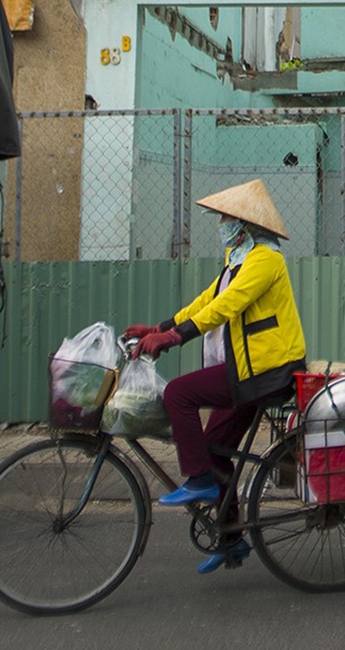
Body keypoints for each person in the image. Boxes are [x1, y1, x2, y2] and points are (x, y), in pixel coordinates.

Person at [124, 178, 305, 574]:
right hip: (246, 370)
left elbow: (226, 306)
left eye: (226, 217)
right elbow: (207, 299)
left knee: (178, 395)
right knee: (215, 446)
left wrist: (173, 338)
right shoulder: (237, 259)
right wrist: (159, 326)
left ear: (243, 222)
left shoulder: (266, 260)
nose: (221, 222)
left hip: (265, 372)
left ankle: (199, 480)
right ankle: (231, 539)